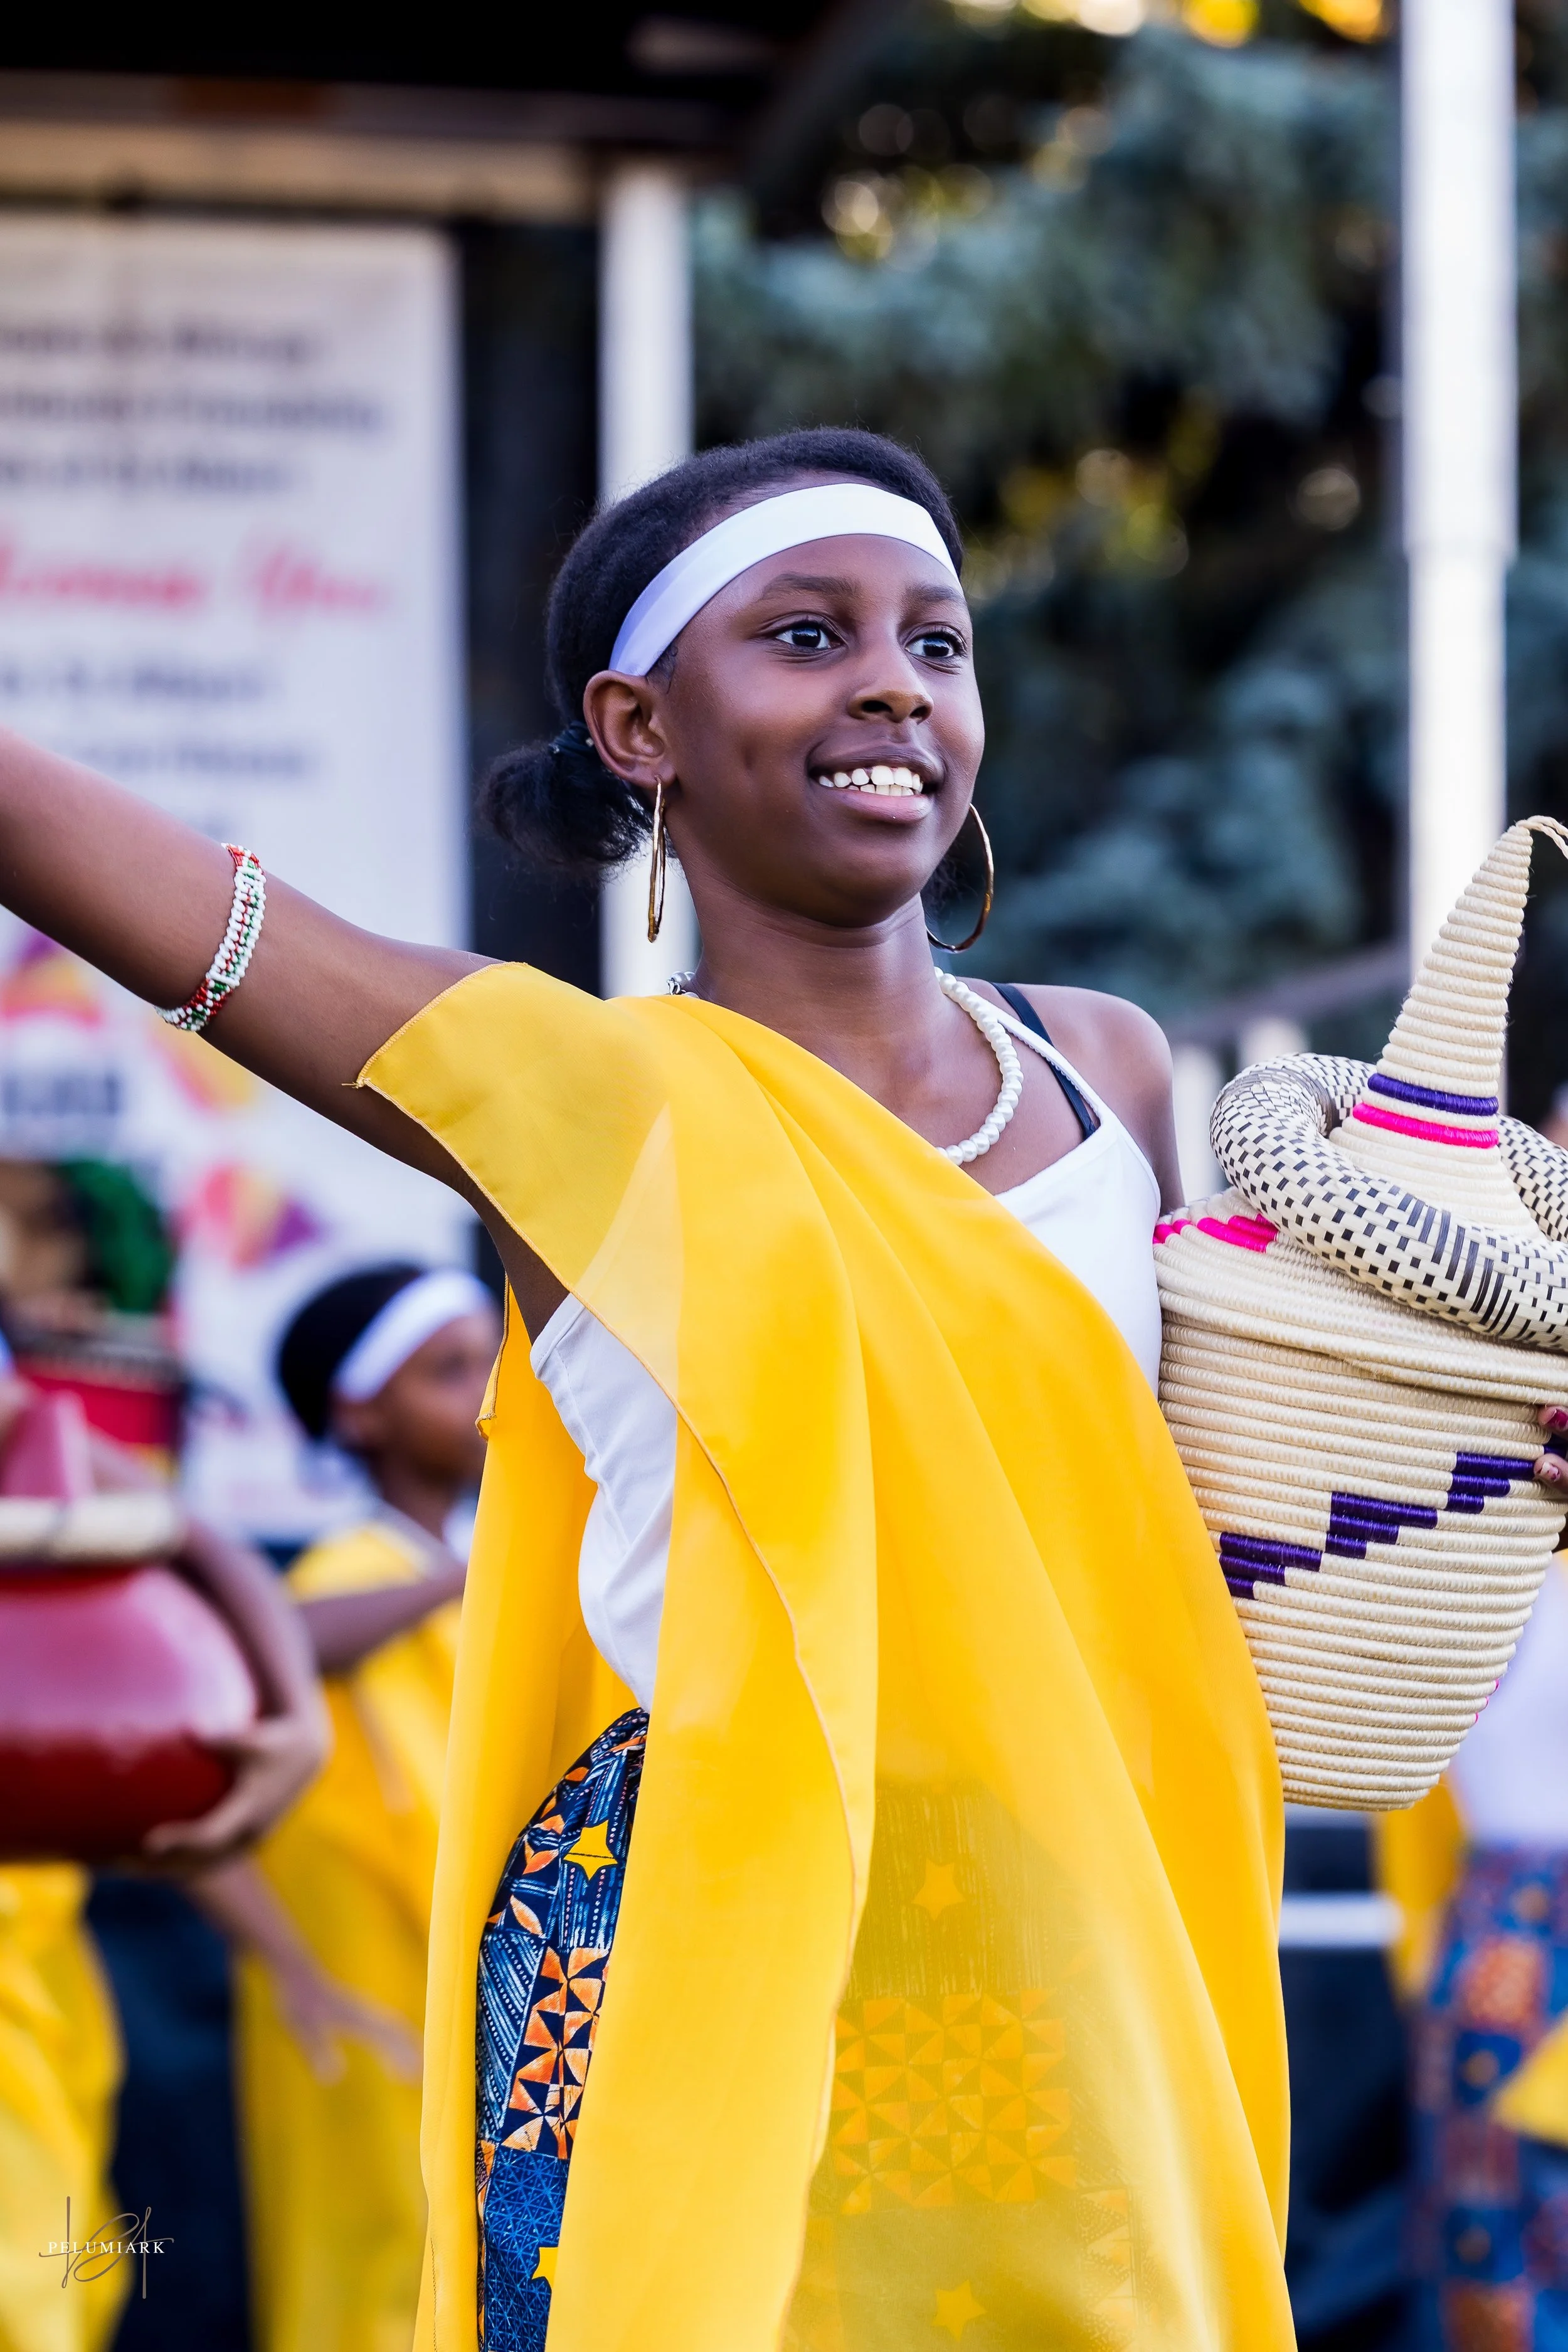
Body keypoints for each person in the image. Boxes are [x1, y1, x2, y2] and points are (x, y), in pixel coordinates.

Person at [1, 421, 1506, 2349]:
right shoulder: (585, 1100)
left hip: (1073, 1913)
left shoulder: (1108, 1071)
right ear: (637, 727)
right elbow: (205, 922)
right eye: (805, 635)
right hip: (697, 1920)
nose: (892, 678)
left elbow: (1183, 1522)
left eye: (933, 642)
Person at [192, 1262, 500, 2352]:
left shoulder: (479, 1569)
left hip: (474, 1986)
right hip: (363, 1989)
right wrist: (474, 1572)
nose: (490, 1385)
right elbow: (291, 1640)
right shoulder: (352, 1570)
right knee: (381, 2258)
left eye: (490, 1356)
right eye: (448, 1368)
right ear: (359, 1413)